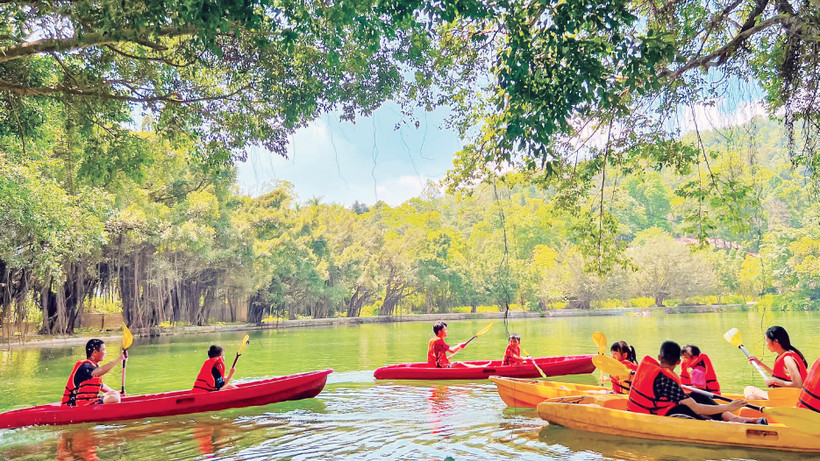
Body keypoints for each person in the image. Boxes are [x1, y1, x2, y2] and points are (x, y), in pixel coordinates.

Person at [627, 341, 765, 424]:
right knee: (689, 407)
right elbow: (697, 409)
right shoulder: (667, 380)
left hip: (654, 408)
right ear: (678, 362)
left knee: (697, 396)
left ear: (659, 357)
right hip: (650, 416)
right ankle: (733, 423)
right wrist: (728, 407)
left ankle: (735, 419)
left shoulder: (647, 367)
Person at [744, 326, 808, 400]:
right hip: (783, 397)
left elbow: (798, 385)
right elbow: (781, 377)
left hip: (792, 401)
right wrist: (760, 364)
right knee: (749, 389)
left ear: (775, 342)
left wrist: (776, 381)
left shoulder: (788, 359)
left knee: (751, 397)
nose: (766, 344)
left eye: (767, 341)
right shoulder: (783, 356)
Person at [62, 339, 127, 406]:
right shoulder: (85, 366)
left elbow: (100, 385)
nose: (105, 352)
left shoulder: (94, 366)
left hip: (89, 401)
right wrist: (119, 359)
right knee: (114, 399)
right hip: (73, 405)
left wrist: (115, 392)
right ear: (95, 352)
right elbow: (99, 372)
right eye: (103, 350)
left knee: (114, 394)